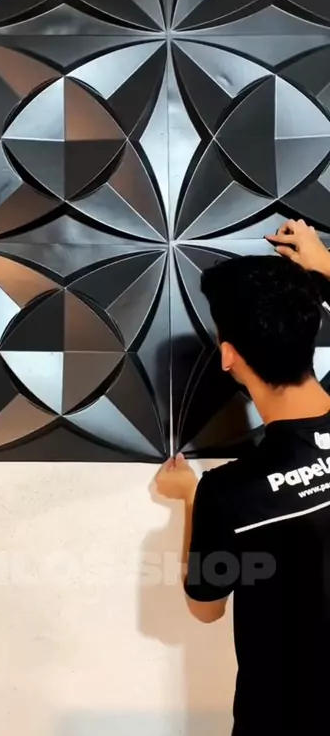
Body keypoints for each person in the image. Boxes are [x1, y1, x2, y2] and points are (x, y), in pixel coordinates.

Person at [154, 219, 330, 736]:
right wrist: (322, 264)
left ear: (228, 355)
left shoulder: (228, 494)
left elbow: (205, 608)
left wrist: (190, 498)